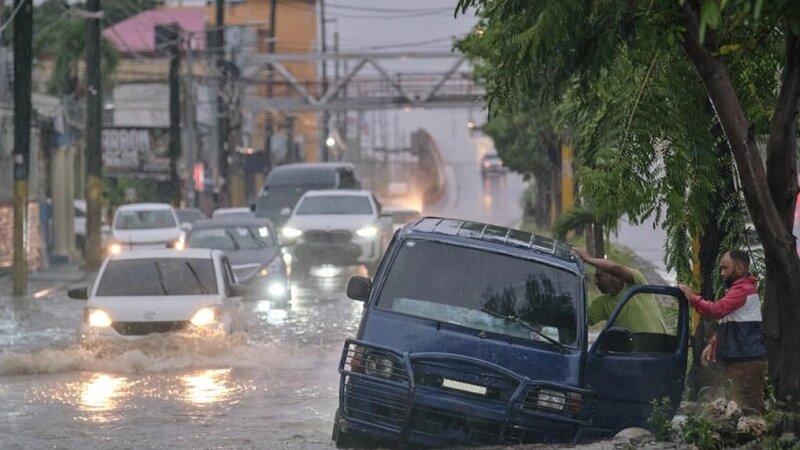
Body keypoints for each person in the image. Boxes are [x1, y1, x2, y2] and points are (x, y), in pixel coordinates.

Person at [678, 249, 767, 415]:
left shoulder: (743, 290)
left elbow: (717, 310)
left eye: (725, 268)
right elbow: (731, 322)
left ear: (740, 268)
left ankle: (762, 439)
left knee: (749, 410)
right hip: (741, 360)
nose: (722, 273)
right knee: (739, 408)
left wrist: (692, 297)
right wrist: (713, 344)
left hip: (746, 362)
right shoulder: (739, 290)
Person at [572, 247, 668, 334]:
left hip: (661, 348)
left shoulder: (637, 284)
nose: (595, 281)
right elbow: (579, 320)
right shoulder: (602, 304)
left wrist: (589, 259)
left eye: (599, 276)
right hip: (633, 352)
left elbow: (614, 268)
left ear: (613, 275)